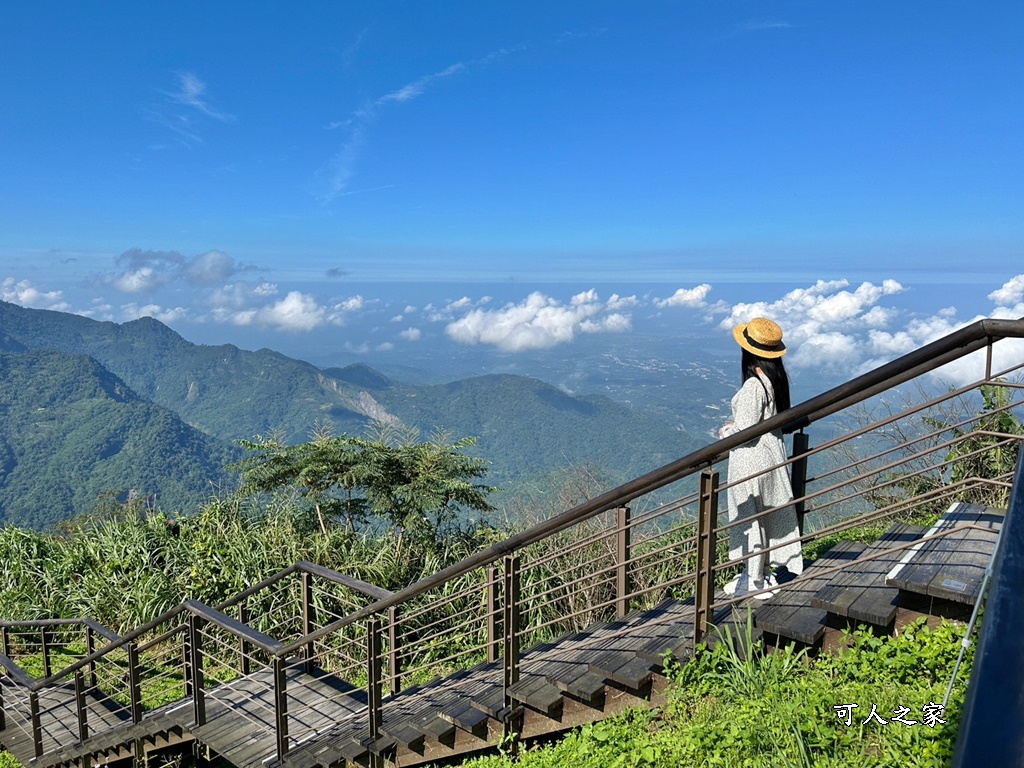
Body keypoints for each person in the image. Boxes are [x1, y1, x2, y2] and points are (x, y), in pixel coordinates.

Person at [717, 317, 803, 598]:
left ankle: (754, 580)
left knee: (751, 520)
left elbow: (746, 430)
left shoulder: (755, 385)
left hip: (750, 461)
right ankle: (759, 574)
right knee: (762, 518)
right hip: (770, 457)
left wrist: (726, 432)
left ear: (749, 351)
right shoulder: (775, 381)